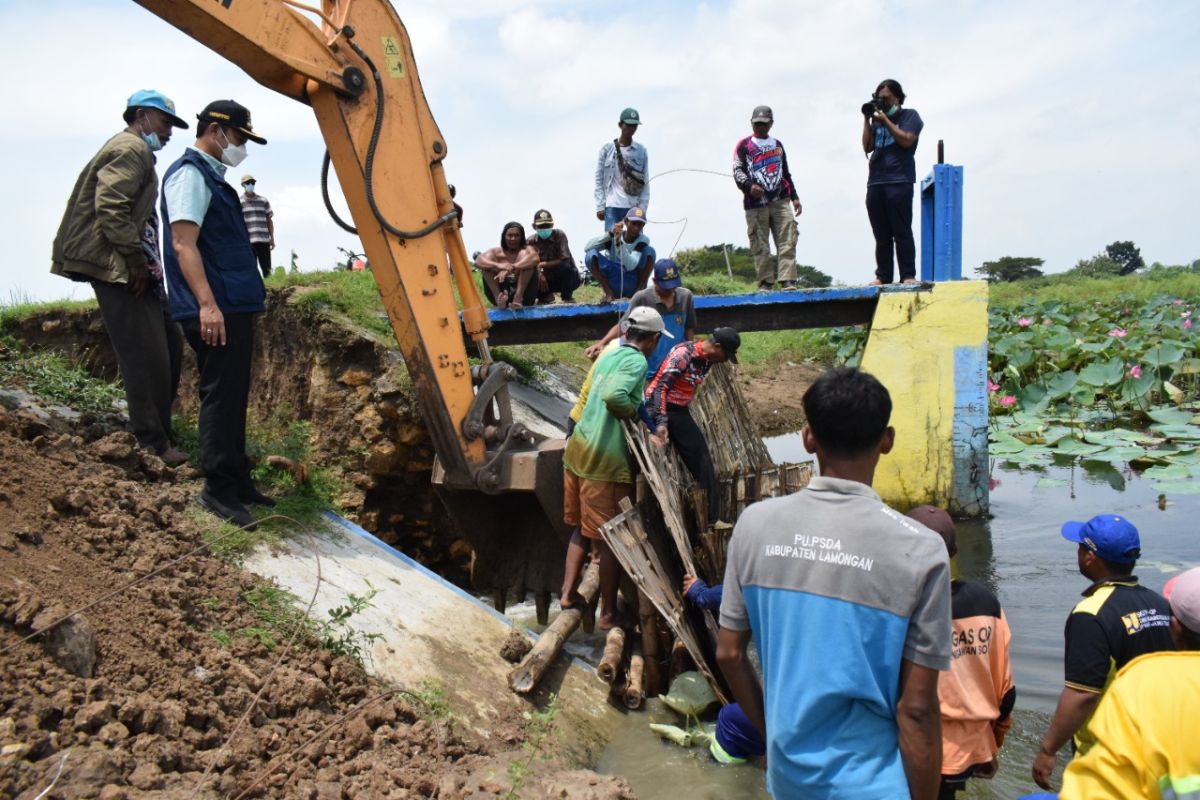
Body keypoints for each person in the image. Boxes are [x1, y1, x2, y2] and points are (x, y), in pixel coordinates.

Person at [717, 367, 951, 800]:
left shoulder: (754, 525)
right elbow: (917, 710)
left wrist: (773, 736)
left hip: (788, 778)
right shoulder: (922, 550)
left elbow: (730, 653)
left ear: (809, 438)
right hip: (874, 785)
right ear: (887, 439)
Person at [50, 90, 189, 467]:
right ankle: (153, 443)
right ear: (142, 116)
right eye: (165, 122)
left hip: (136, 267)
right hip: (120, 270)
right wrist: (133, 262)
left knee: (168, 350)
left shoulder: (137, 152)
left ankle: (161, 433)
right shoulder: (131, 150)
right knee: (146, 358)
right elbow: (111, 207)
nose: (170, 132)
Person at [161, 99, 275, 530]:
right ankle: (217, 490)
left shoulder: (212, 177)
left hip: (231, 305)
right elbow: (183, 244)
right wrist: (207, 305)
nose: (241, 146)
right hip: (215, 308)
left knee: (234, 394)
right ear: (215, 130)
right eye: (240, 138)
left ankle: (237, 477)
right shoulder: (190, 175)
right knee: (220, 396)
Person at [1031, 514, 1175, 791]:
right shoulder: (1160, 604)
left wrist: (1048, 750)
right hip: (1161, 745)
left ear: (1090, 558)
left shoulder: (1091, 614)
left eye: (1080, 547)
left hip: (1109, 757)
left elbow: (1082, 693)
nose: (1078, 551)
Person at [561, 307, 669, 630]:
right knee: (610, 539)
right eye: (655, 341)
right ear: (650, 340)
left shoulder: (609, 352)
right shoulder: (637, 361)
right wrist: (638, 423)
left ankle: (567, 593)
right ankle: (608, 613)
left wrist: (647, 424)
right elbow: (614, 396)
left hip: (578, 449)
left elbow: (599, 396)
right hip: (603, 459)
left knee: (581, 529)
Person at [1058, 567, 1200, 799]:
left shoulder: (1138, 683)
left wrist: (1048, 750)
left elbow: (1082, 693)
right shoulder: (1153, 601)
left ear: (1174, 629)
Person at [908, 505, 1016, 800]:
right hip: (970, 748)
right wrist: (992, 741)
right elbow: (1005, 691)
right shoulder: (985, 602)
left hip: (914, 748)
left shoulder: (900, 606)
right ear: (954, 552)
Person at [645, 328, 741, 526]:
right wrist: (661, 421)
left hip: (679, 409)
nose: (725, 360)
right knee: (703, 460)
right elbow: (660, 388)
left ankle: (710, 516)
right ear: (717, 347)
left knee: (703, 461)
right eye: (726, 355)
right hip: (663, 406)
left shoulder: (707, 360)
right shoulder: (683, 355)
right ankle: (711, 519)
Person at [584, 259, 696, 379]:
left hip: (675, 369)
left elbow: (689, 329)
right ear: (654, 281)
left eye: (673, 286)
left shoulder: (686, 297)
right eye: (665, 288)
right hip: (648, 369)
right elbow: (624, 325)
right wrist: (602, 343)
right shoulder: (642, 298)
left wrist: (691, 354)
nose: (670, 291)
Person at [733, 105, 803, 292]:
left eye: (764, 124)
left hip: (781, 199)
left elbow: (786, 172)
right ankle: (765, 281)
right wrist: (749, 186)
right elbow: (737, 170)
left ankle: (788, 280)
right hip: (755, 203)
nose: (760, 127)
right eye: (757, 124)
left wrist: (794, 197)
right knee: (760, 243)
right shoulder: (744, 145)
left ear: (771, 124)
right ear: (751, 123)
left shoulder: (777, 145)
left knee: (787, 239)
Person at [862, 79, 924, 285]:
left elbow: (907, 140)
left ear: (897, 97)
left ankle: (907, 275)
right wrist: (867, 119)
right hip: (876, 181)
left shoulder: (909, 116)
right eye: (880, 97)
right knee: (881, 234)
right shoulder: (876, 120)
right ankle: (883, 276)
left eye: (886, 98)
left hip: (899, 180)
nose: (883, 101)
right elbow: (867, 147)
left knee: (902, 230)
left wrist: (886, 120)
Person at [583, 207, 655, 302]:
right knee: (590, 255)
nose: (636, 228)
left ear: (643, 226)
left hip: (632, 280)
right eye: (633, 223)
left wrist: (619, 243)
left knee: (650, 251)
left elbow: (631, 265)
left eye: (640, 225)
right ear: (626, 221)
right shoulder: (613, 236)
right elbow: (587, 248)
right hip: (615, 278)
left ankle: (638, 294)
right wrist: (610, 234)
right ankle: (609, 293)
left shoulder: (643, 240)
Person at [594, 107, 649, 231]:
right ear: (620, 125)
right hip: (612, 206)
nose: (631, 129)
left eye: (634, 126)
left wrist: (642, 208)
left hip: (633, 207)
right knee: (612, 244)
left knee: (635, 245)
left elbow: (645, 182)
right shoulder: (606, 150)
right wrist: (600, 206)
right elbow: (598, 179)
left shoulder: (641, 151)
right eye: (628, 125)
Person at [475, 221, 539, 310]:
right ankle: (499, 299)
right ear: (504, 237)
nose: (513, 238)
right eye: (509, 235)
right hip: (501, 293)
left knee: (526, 258)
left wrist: (512, 267)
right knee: (487, 265)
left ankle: (518, 298)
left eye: (517, 235)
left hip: (524, 296)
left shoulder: (527, 249)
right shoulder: (496, 252)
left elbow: (535, 259)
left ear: (521, 237)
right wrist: (499, 266)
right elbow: (478, 261)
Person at [527, 209, 580, 304]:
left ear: (552, 225)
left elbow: (564, 259)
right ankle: (544, 297)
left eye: (547, 225)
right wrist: (538, 272)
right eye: (541, 226)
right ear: (534, 226)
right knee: (530, 274)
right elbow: (528, 262)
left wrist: (542, 264)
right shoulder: (530, 241)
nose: (544, 229)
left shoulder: (559, 235)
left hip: (567, 278)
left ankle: (567, 297)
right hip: (545, 280)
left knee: (565, 267)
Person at [238, 173, 274, 279]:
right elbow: (238, 223)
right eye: (248, 183)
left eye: (252, 182)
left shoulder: (263, 200)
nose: (250, 184)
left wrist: (272, 237)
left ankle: (269, 291)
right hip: (248, 241)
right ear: (243, 185)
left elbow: (269, 220)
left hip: (263, 240)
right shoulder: (239, 202)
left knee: (267, 270)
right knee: (251, 270)